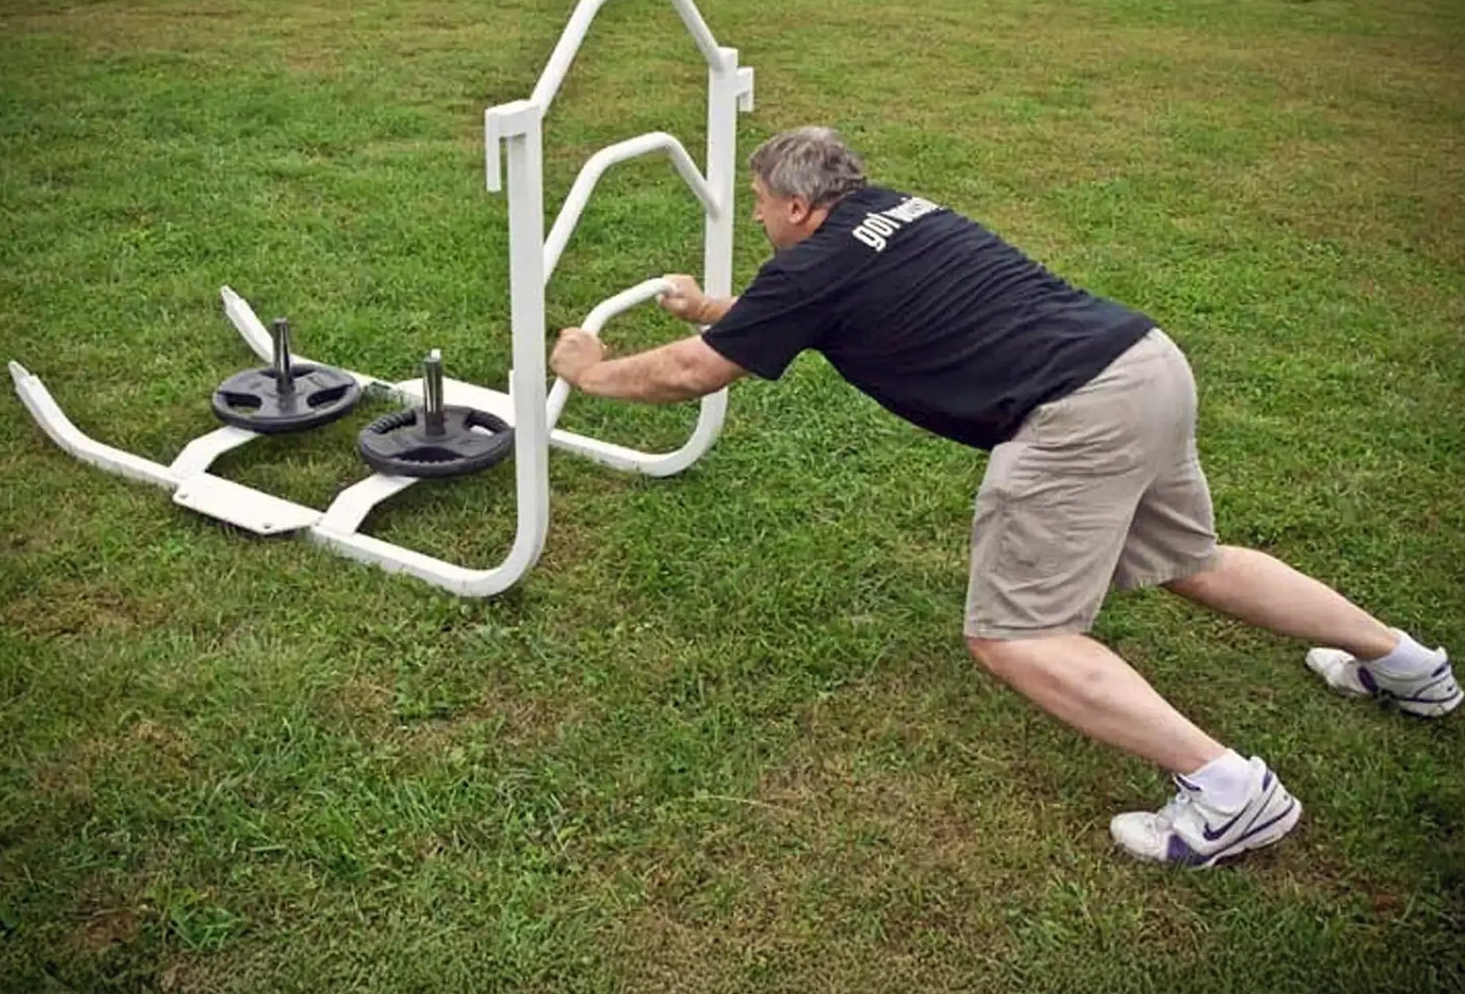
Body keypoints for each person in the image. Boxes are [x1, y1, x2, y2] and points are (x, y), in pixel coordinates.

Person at [549, 127, 1459, 867]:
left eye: (758, 207)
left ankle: (1229, 793)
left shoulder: (811, 268)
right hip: (1144, 365)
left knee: (1015, 638)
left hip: (1074, 416)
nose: (755, 219)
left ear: (797, 206)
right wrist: (717, 305)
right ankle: (1409, 665)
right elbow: (816, 304)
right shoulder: (895, 213)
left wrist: (589, 375)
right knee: (1194, 562)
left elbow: (691, 377)